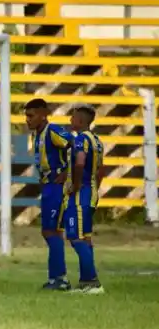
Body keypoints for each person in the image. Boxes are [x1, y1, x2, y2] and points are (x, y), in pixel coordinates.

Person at [25, 98, 73, 291]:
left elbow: (76, 146)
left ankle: (60, 278)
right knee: (50, 232)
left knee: (51, 232)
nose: (27, 120)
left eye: (31, 115)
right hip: (47, 186)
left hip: (56, 187)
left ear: (43, 115)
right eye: (26, 116)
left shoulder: (53, 131)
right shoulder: (37, 135)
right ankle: (56, 278)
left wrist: (67, 172)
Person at [63, 105, 106, 294]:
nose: (70, 120)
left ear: (80, 121)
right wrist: (94, 187)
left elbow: (80, 162)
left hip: (81, 195)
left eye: (73, 118)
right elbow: (101, 169)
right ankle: (86, 282)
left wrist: (76, 185)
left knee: (75, 237)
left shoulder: (81, 139)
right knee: (86, 238)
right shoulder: (97, 140)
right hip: (92, 193)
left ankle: (92, 282)